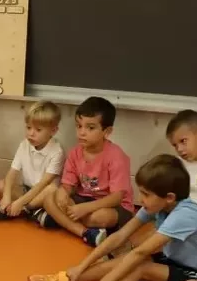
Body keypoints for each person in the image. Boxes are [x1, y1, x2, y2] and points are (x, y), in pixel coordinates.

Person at [28, 155, 197, 281]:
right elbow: (120, 236)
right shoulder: (161, 205)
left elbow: (139, 253)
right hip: (176, 263)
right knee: (126, 258)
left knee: (141, 266)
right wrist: (80, 266)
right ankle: (64, 279)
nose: (141, 199)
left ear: (169, 197)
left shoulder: (184, 214)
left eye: (146, 194)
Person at [41, 97, 133, 245]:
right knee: (49, 198)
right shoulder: (75, 153)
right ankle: (85, 233)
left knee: (99, 217)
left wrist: (84, 209)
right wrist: (63, 194)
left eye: (90, 128)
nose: (82, 132)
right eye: (79, 126)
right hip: (84, 199)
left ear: (107, 131)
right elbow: (67, 186)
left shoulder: (117, 156)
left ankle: (62, 221)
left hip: (113, 205)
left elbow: (116, 197)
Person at [0, 101, 63, 222]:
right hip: (27, 189)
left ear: (53, 131)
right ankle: (34, 212)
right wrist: (6, 198)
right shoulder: (24, 144)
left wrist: (20, 203)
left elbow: (43, 184)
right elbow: (11, 173)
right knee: (2, 184)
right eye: (28, 127)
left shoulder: (57, 151)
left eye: (38, 130)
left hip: (42, 192)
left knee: (52, 189)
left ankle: (25, 210)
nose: (31, 133)